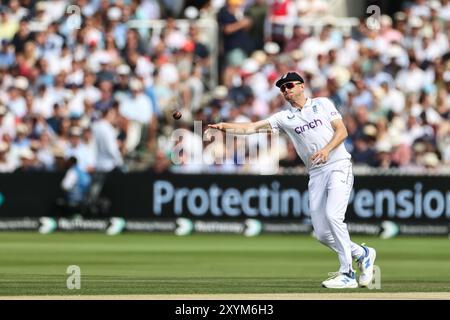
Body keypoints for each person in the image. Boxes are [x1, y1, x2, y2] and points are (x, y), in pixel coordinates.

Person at [207, 72, 377, 289]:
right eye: (282, 88)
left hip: (338, 165)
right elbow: (252, 128)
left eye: (289, 85)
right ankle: (363, 253)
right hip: (315, 173)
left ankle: (347, 273)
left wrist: (326, 150)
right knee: (323, 234)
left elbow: (342, 131)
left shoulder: (322, 104)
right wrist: (225, 126)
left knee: (333, 216)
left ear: (302, 86)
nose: (286, 90)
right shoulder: (284, 118)